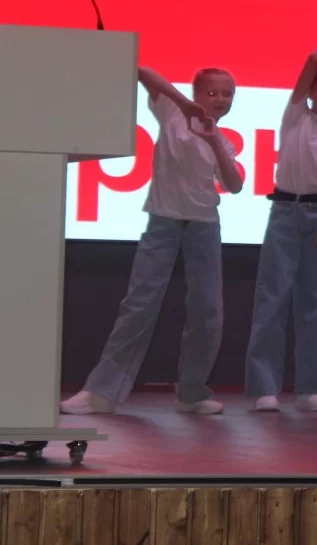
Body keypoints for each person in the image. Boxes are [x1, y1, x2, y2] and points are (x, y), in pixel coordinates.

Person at [62, 67, 243, 415]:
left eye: (227, 94)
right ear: (195, 93)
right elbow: (142, 71)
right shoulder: (172, 113)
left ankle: (192, 393)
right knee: (139, 305)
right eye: (212, 93)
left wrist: (212, 141)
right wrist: (183, 103)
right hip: (163, 223)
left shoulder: (224, 140)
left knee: (208, 311)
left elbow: (233, 185)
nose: (220, 100)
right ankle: (101, 392)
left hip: (205, 227)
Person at [245, 33, 317, 413]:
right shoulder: (296, 115)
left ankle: (312, 387)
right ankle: (264, 386)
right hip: (285, 212)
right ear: (310, 91)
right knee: (272, 298)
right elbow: (313, 57)